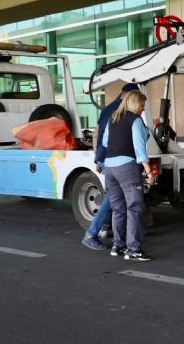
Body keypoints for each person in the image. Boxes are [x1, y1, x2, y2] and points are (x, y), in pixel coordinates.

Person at [81, 82, 138, 251]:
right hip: (114, 160)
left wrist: (97, 158)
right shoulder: (121, 111)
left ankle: (107, 229)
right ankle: (91, 233)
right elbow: (109, 138)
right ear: (129, 95)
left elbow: (97, 133)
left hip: (106, 159)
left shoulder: (107, 109)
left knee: (114, 198)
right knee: (112, 199)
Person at [102, 90, 154, 262]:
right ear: (134, 104)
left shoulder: (113, 119)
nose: (143, 109)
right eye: (142, 105)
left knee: (118, 208)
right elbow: (140, 149)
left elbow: (104, 142)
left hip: (109, 168)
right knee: (135, 207)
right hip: (126, 168)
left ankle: (118, 245)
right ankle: (133, 249)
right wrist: (148, 171)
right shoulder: (135, 120)